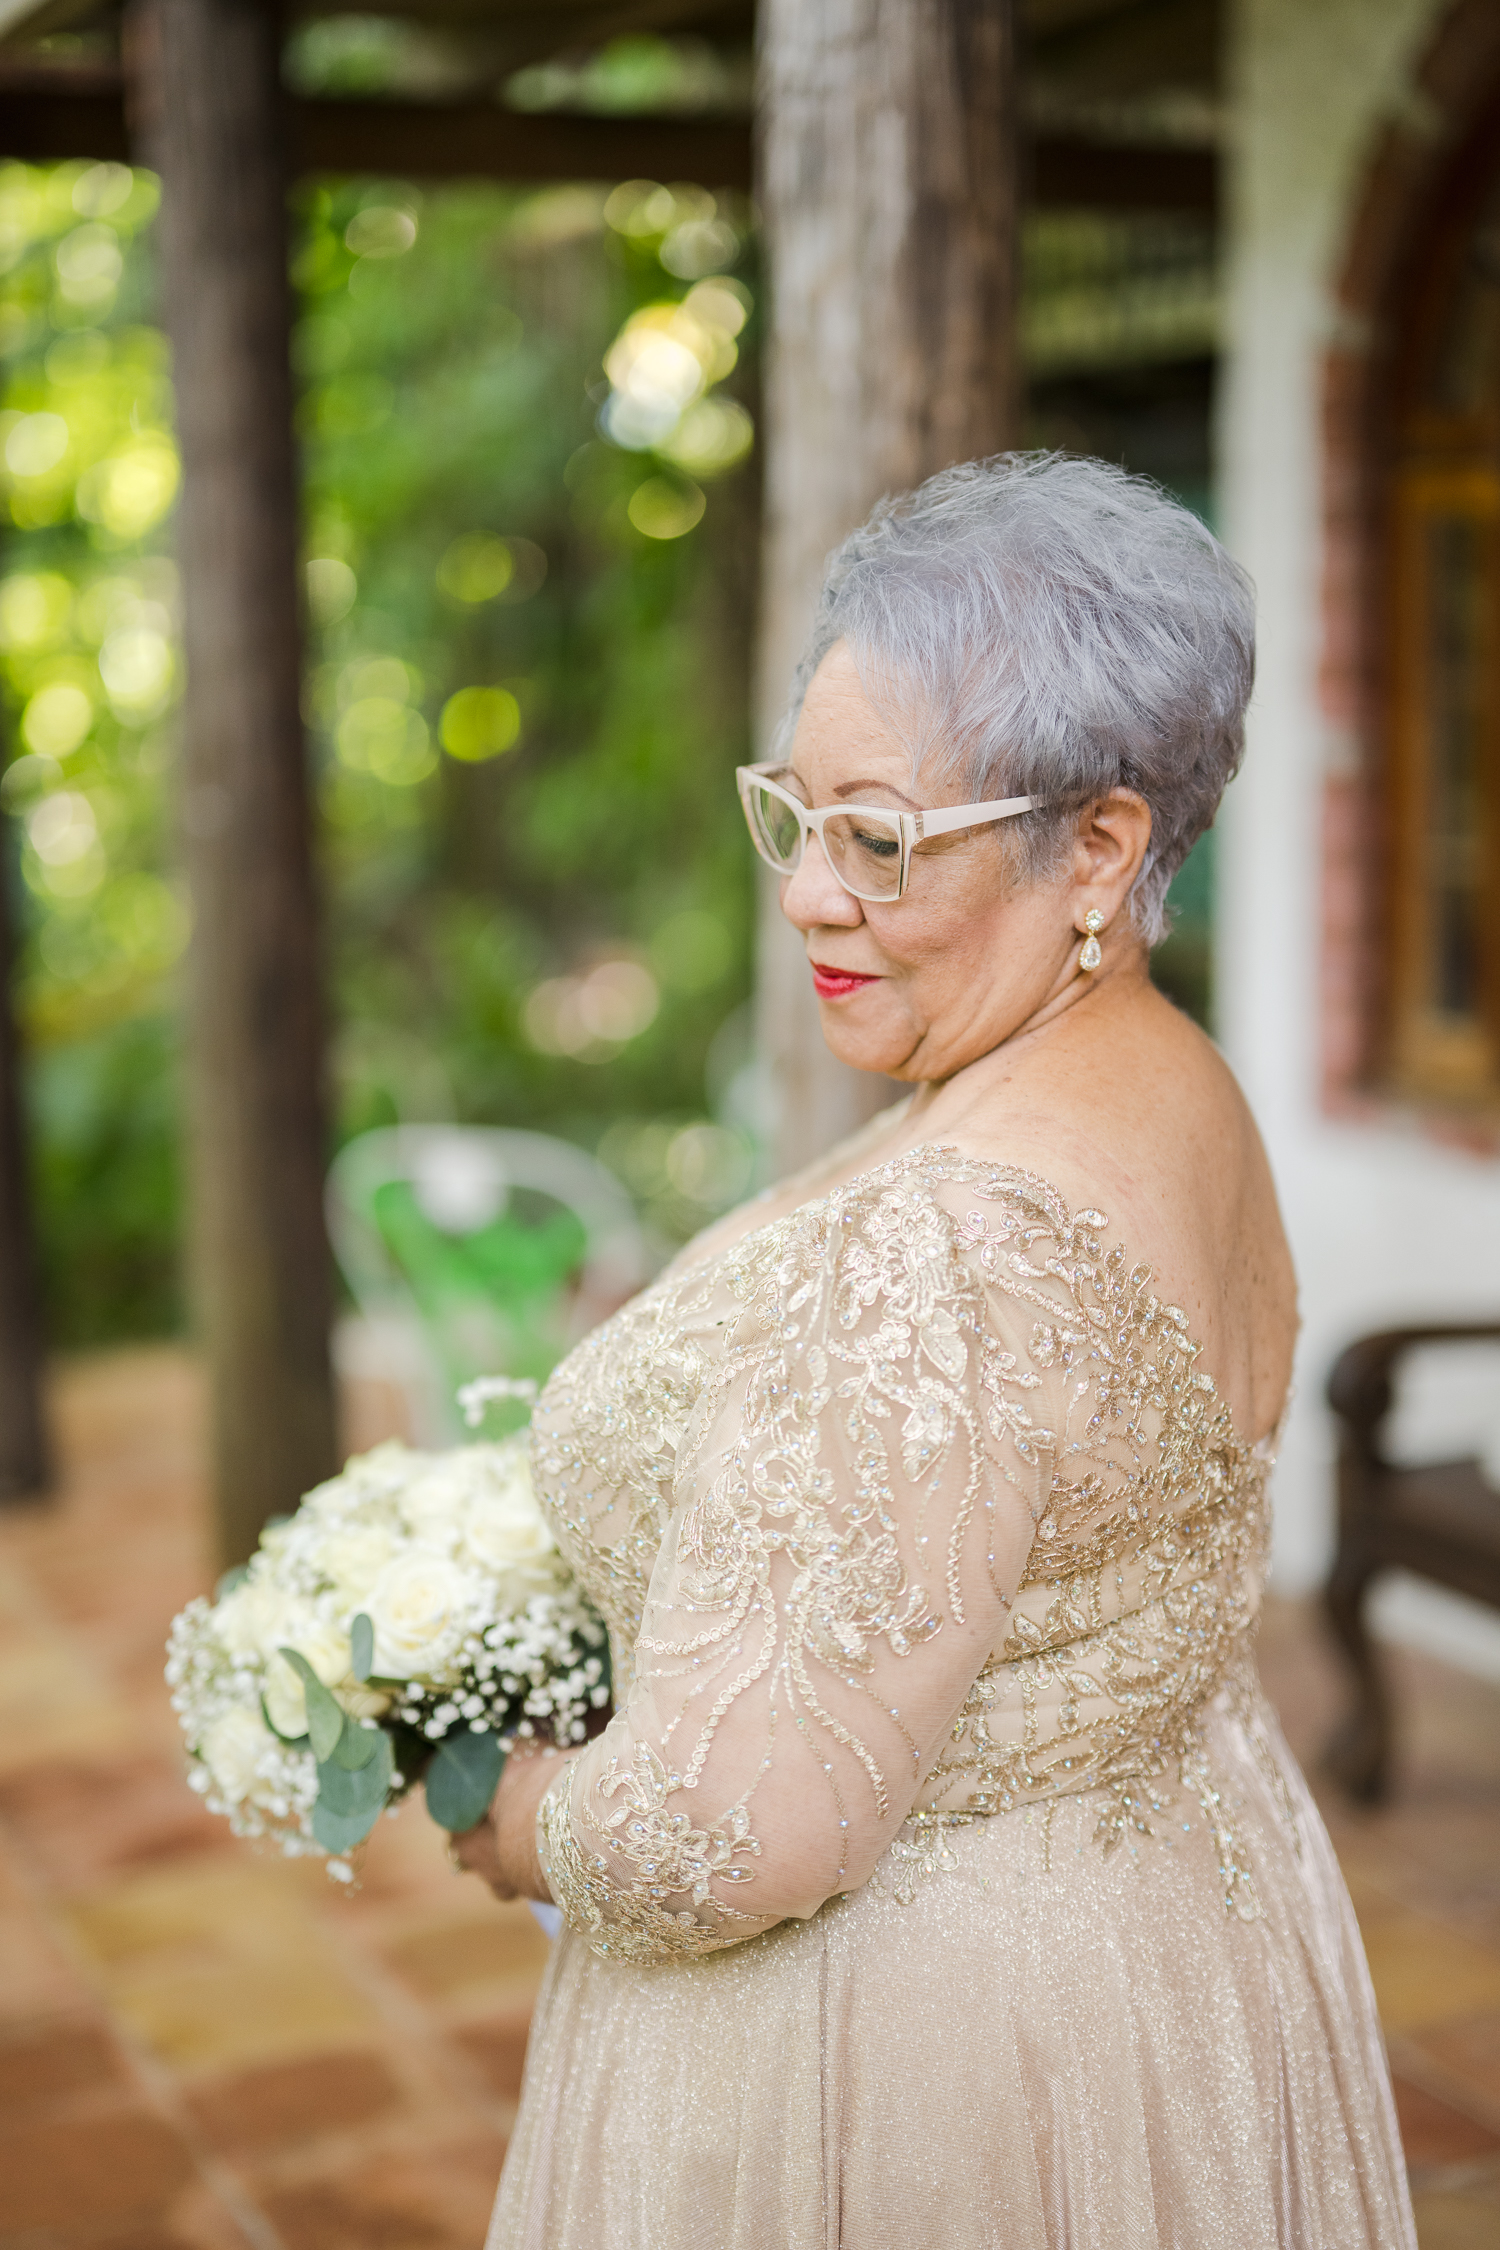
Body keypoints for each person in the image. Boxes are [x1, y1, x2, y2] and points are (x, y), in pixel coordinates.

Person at [457, 454, 1417, 2248]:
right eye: (794, 816)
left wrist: (522, 1821)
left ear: (1104, 846)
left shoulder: (949, 1246)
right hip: (1167, 1950)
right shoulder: (1172, 1081)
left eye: (879, 838)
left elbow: (730, 1839)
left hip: (912, 2058)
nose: (811, 894)